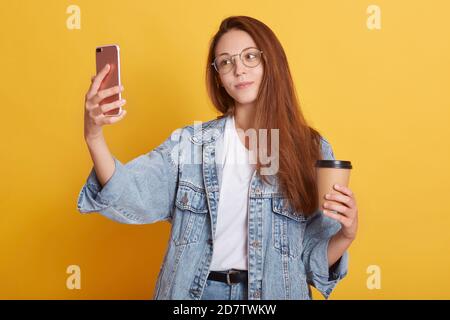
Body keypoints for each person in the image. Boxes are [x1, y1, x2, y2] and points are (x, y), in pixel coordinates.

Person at [77, 15, 359, 300]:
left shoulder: (311, 148)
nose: (238, 70)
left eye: (250, 57)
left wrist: (346, 235)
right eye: (226, 62)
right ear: (218, 77)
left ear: (271, 62)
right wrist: (94, 137)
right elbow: (130, 192)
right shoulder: (192, 144)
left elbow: (312, 262)